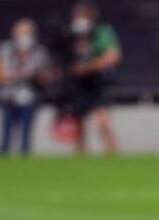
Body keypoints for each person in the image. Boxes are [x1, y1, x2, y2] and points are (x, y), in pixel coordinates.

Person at [68, 1, 121, 154]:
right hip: (79, 84)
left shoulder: (101, 32)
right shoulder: (70, 34)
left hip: (99, 83)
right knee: (78, 121)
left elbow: (113, 56)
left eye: (83, 15)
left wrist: (88, 67)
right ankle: (81, 154)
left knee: (102, 121)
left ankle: (111, 152)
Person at [0, 19, 51, 155]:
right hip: (9, 95)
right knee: (6, 130)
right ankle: (3, 152)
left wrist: (38, 77)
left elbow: (46, 75)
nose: (25, 36)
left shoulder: (40, 51)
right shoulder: (6, 49)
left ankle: (25, 153)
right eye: (22, 32)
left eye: (28, 33)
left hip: (31, 95)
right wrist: (19, 75)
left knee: (26, 131)